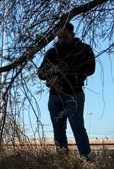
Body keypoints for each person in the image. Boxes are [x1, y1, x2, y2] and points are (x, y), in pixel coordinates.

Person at [37, 21, 96, 158]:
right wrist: (54, 71)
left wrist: (71, 72)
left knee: (77, 127)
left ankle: (86, 157)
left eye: (65, 37)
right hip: (55, 95)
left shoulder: (83, 50)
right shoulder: (52, 53)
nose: (62, 40)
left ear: (72, 35)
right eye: (60, 37)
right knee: (58, 130)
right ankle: (62, 159)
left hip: (74, 93)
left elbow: (91, 69)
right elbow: (41, 73)